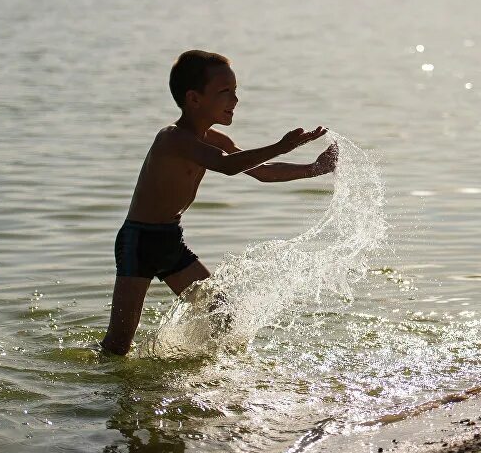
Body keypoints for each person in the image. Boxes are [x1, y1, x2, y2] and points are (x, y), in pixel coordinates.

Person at [100, 50, 337, 356]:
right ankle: (98, 392)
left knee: (221, 316)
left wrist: (314, 169)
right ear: (194, 99)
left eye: (235, 91)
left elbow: (262, 174)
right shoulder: (171, 139)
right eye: (225, 92)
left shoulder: (218, 141)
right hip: (138, 240)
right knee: (118, 345)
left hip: (170, 240)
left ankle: (191, 368)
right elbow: (226, 165)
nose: (235, 101)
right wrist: (281, 145)